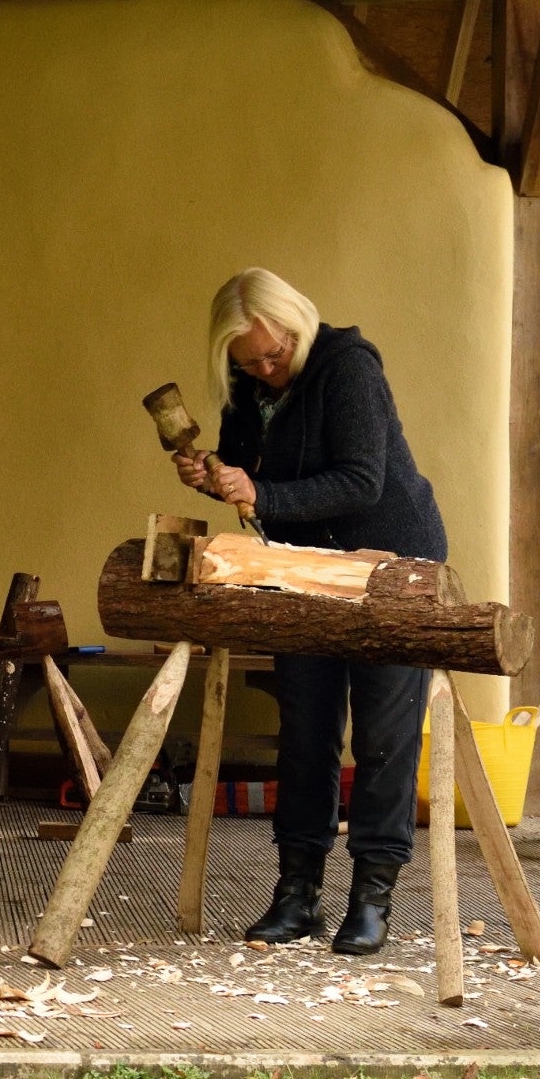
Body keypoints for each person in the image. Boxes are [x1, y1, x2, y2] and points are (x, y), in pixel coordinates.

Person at [175, 268, 446, 955]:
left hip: (389, 562)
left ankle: (373, 897)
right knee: (305, 731)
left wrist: (261, 493)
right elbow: (251, 476)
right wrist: (215, 477)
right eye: (250, 363)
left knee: (383, 736)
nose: (266, 370)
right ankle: (297, 894)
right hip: (301, 565)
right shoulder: (245, 380)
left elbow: (362, 480)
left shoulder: (347, 366)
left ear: (298, 324)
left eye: (275, 354)